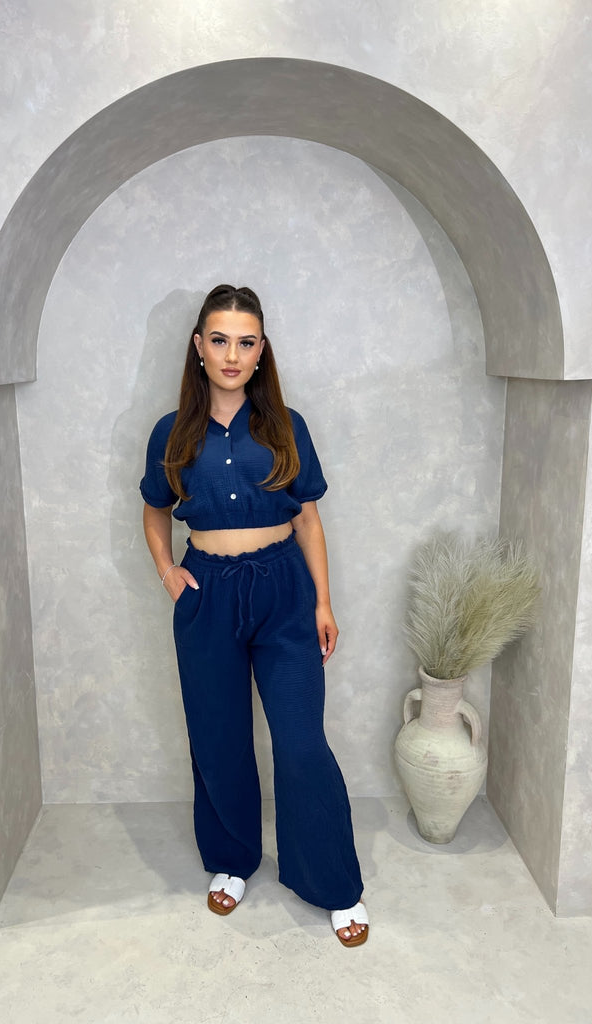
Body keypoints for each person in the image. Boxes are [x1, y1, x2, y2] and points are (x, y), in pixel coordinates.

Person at [140, 284, 368, 947]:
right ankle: (233, 859)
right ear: (199, 347)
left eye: (246, 342)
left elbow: (309, 519)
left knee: (300, 742)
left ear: (262, 350)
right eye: (220, 340)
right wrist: (168, 571)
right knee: (219, 738)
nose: (232, 355)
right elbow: (154, 509)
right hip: (207, 593)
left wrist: (322, 600)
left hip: (283, 590)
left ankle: (333, 883)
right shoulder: (171, 432)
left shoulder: (287, 426)